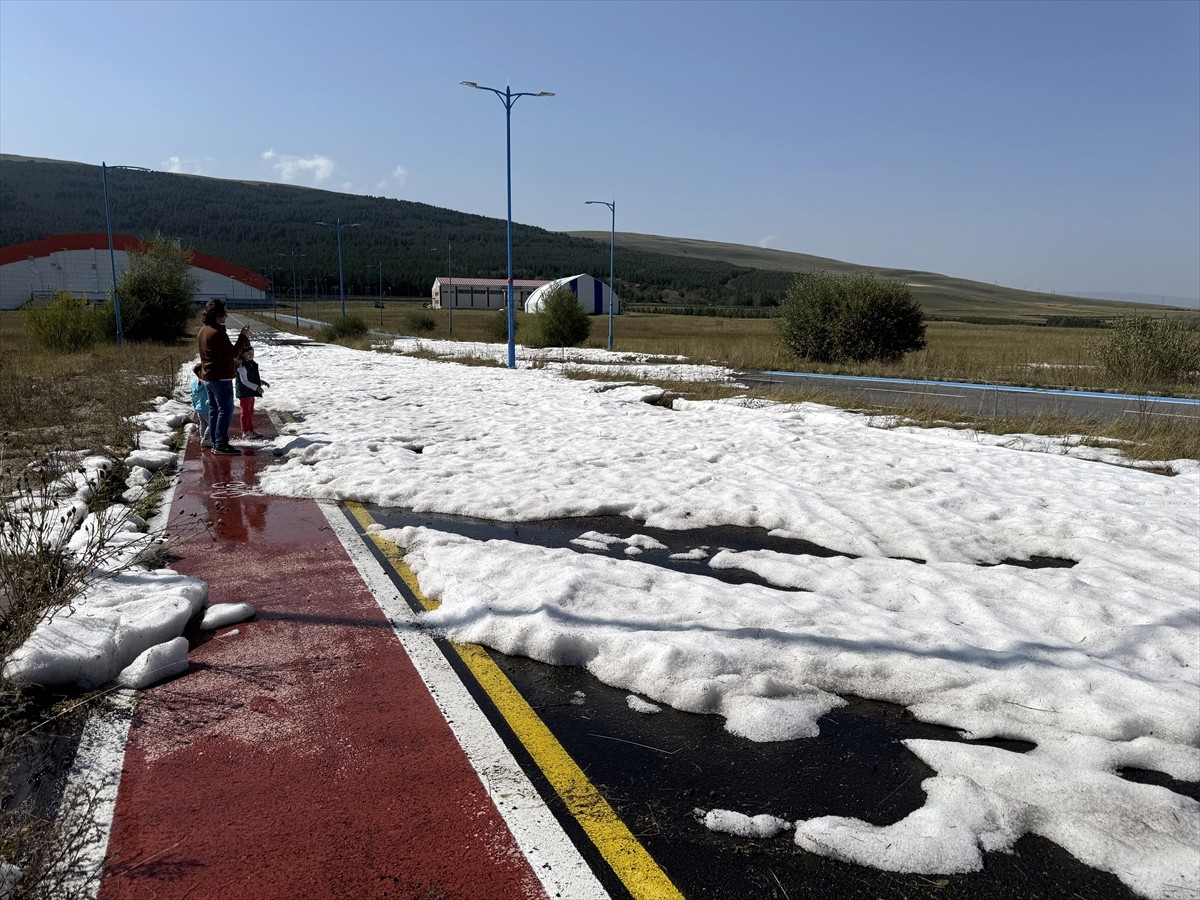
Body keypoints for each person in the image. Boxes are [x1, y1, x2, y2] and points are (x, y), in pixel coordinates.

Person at [197, 298, 250, 455]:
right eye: (224, 313)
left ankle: (215, 441)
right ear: (217, 314)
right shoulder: (217, 333)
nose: (226, 316)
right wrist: (243, 336)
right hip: (221, 378)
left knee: (214, 410)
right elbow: (233, 352)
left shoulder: (203, 330)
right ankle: (220, 444)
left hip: (209, 377)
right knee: (224, 411)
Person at [235, 346, 269, 440]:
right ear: (242, 354)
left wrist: (260, 382)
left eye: (252, 353)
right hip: (244, 392)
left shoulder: (250, 364)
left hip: (250, 392)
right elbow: (244, 381)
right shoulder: (242, 365)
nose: (251, 355)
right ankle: (245, 432)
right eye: (248, 353)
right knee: (245, 412)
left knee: (250, 411)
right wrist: (256, 387)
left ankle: (251, 430)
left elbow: (251, 377)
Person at [189, 363, 212, 448]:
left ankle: (203, 438)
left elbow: (193, 396)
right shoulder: (206, 383)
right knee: (212, 424)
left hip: (199, 408)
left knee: (203, 424)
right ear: (200, 373)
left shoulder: (194, 384)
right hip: (207, 407)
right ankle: (206, 439)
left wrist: (195, 405)